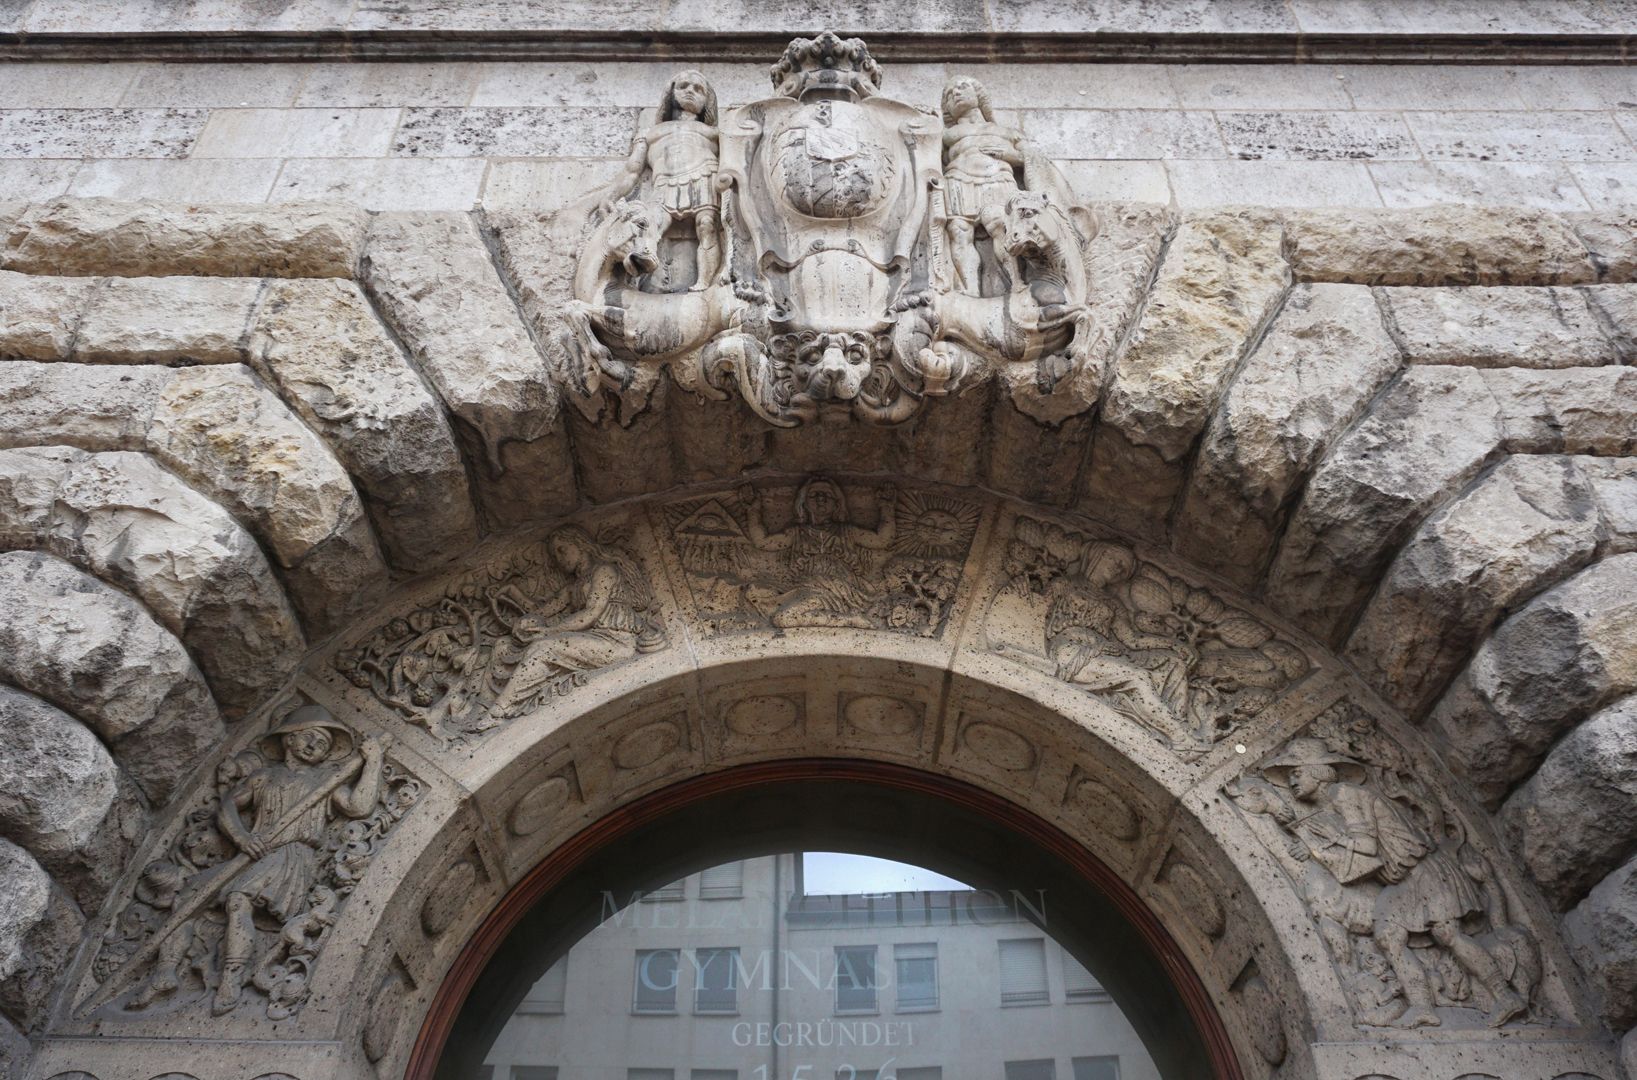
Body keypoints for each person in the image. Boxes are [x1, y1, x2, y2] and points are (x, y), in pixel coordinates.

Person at [1261, 739, 1528, 1028]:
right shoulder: (1331, 807)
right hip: (1403, 880)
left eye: (1297, 772)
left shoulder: (1345, 794)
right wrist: (1315, 847)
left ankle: (1504, 995)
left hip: (1421, 871)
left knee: (1447, 935)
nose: (1291, 780)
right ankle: (1424, 1007)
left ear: (1318, 771)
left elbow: (1365, 848)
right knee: (1390, 937)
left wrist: (1320, 846)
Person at [212, 707, 389, 1016]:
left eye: (321, 743)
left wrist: (373, 761)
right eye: (308, 737)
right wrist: (242, 838)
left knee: (239, 900)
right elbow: (228, 806)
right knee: (236, 902)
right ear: (288, 740)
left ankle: (237, 972)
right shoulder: (265, 776)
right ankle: (232, 972)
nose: (313, 746)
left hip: (296, 856)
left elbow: (359, 807)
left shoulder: (327, 781)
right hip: (259, 852)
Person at [491, 526, 666, 716]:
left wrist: (549, 632)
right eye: (554, 554)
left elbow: (591, 612)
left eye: (562, 550)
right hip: (593, 639)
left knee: (544, 648)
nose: (559, 558)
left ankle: (500, 710)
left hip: (616, 641)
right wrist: (512, 593)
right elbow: (542, 611)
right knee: (503, 645)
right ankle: (501, 703)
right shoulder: (573, 587)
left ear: (580, 544)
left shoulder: (604, 571)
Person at [604, 69, 724, 290]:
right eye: (683, 86)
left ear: (708, 101)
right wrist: (612, 195)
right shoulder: (650, 133)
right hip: (664, 184)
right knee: (650, 225)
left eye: (698, 89)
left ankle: (705, 282)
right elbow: (632, 170)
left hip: (704, 177)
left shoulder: (714, 133)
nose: (690, 91)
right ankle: (639, 268)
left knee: (706, 226)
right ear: (671, 93)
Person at [739, 479, 897, 628]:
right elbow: (762, 542)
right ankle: (846, 620)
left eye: (827, 495)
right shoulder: (797, 533)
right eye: (814, 495)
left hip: (842, 589)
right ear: (804, 503)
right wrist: (753, 511)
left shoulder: (847, 531)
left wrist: (887, 507)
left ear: (837, 503)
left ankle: (847, 620)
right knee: (776, 610)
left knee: (784, 618)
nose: (821, 498)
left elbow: (883, 540)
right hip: (808, 588)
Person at [940, 75, 1026, 295]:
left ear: (978, 94)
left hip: (997, 177)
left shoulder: (1007, 132)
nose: (956, 93)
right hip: (958, 179)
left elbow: (1029, 157)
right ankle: (969, 292)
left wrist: (1007, 153)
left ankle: (1016, 282)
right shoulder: (947, 135)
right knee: (959, 232)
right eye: (949, 95)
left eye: (962, 87)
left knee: (1000, 225)